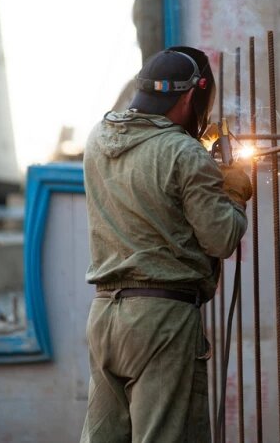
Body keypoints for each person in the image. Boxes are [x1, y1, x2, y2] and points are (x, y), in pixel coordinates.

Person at [80, 47, 252, 443]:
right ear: (190, 97)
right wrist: (234, 192)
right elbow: (221, 237)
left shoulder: (97, 139)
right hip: (161, 321)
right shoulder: (183, 151)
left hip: (105, 316)